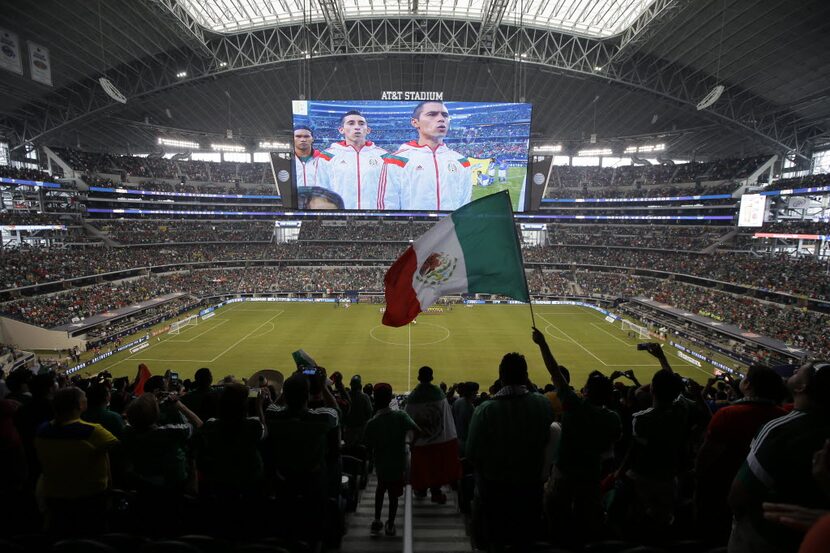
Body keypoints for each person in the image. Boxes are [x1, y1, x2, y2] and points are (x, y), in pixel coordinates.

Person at [728, 359, 830, 553]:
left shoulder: (779, 428)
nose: (796, 369)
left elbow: (740, 491)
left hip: (765, 533)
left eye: (801, 371)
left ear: (802, 387)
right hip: (804, 536)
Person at [467, 344, 555, 551]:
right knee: (525, 539)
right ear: (525, 376)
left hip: (495, 489)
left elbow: (472, 454)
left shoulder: (485, 411)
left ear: (501, 377)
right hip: (530, 488)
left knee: (495, 539)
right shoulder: (543, 405)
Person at [696, 366, 787, 544]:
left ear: (748, 385)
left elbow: (706, 455)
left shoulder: (728, 414)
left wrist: (698, 478)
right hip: (763, 495)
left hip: (724, 485)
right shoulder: (783, 416)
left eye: (745, 378)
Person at [34, 387, 119, 536]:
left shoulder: (41, 430)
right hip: (90, 495)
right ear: (80, 405)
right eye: (84, 397)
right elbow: (119, 448)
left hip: (54, 495)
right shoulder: (92, 431)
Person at [377, 101, 473, 211]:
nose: (441, 119)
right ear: (415, 122)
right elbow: (387, 206)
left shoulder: (461, 161)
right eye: (432, 114)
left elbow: (464, 206)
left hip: (450, 227)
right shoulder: (396, 161)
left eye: (445, 115)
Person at [364, 383, 420, 537]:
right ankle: (390, 523)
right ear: (390, 398)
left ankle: (376, 520)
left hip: (381, 464)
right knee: (393, 495)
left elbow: (367, 444)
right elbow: (416, 430)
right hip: (397, 463)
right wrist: (409, 443)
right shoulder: (401, 416)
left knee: (380, 489)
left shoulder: (372, 423)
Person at [404, 366, 461, 504]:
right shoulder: (439, 394)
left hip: (420, 442)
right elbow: (447, 419)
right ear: (431, 377)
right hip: (438, 440)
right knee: (436, 467)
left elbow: (408, 419)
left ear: (419, 377)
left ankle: (421, 490)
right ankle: (436, 492)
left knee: (422, 467)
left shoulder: (413, 397)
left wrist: (410, 439)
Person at [317, 110, 388, 210]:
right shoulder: (327, 156)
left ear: (368, 130)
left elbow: (390, 191)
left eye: (361, 123)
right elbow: (322, 189)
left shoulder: (383, 155)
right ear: (341, 130)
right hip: (341, 216)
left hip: (375, 216)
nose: (357, 127)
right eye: (351, 123)